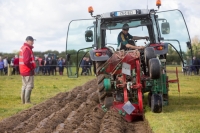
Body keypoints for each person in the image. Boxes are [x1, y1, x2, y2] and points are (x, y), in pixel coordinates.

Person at [19, 36, 36, 104]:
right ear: (28, 41)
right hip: (27, 70)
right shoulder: (27, 49)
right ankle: (27, 102)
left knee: (24, 85)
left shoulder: (23, 48)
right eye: (32, 41)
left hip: (23, 70)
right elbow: (26, 61)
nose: (33, 42)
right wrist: (31, 67)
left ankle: (23, 102)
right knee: (29, 85)